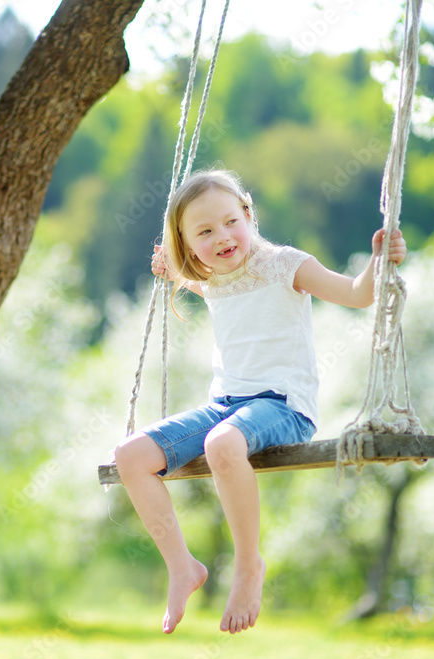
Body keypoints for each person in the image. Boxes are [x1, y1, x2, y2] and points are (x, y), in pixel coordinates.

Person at [113, 169, 406, 635]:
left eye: (231, 221)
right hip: (226, 406)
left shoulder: (286, 264)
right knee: (130, 457)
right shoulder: (212, 278)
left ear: (248, 214)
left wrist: (379, 261)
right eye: (205, 232)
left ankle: (248, 565)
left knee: (221, 444)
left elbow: (357, 295)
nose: (223, 237)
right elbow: (201, 282)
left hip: (284, 406)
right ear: (188, 246)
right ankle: (183, 567)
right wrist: (172, 272)